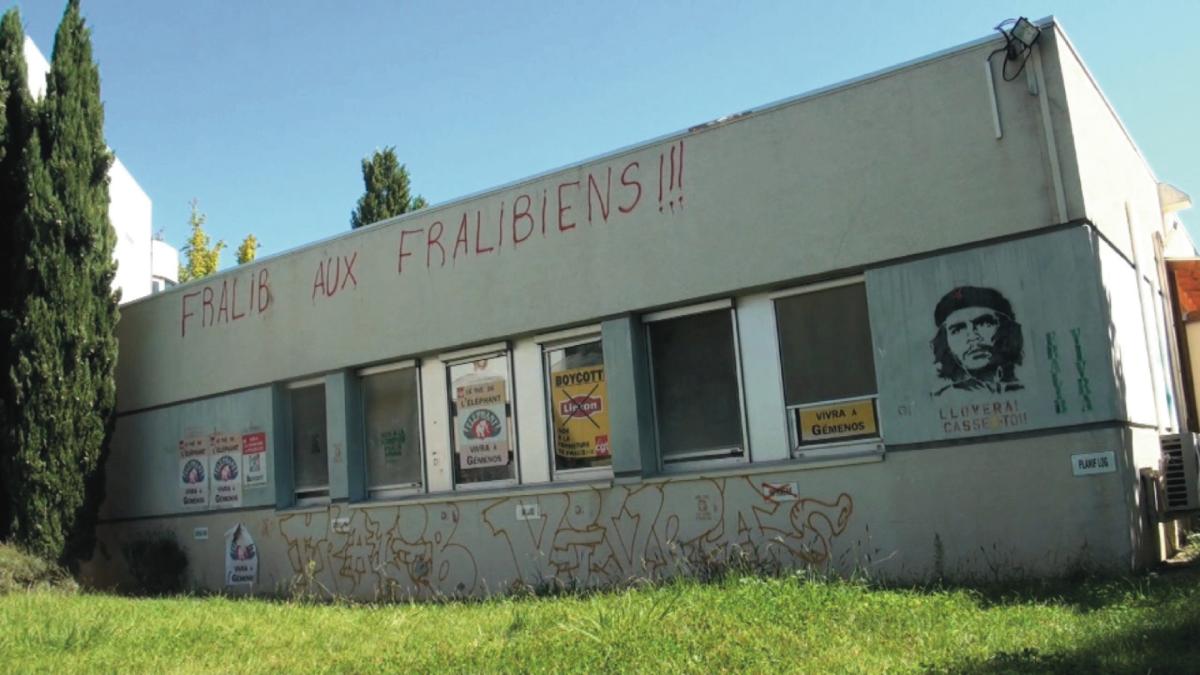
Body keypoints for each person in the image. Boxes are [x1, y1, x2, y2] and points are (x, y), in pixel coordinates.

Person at [930, 286, 1024, 396]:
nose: (972, 337)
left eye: (984, 323)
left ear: (1006, 330)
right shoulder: (944, 397)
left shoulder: (1026, 388)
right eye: (958, 330)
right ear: (946, 344)